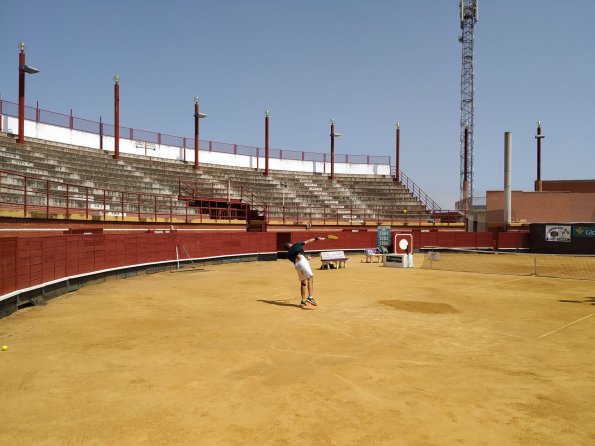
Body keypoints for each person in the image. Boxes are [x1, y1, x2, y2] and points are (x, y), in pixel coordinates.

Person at [284, 236, 325, 308]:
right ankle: (310, 297)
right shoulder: (296, 245)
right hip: (302, 261)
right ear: (290, 245)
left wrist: (307, 259)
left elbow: (298, 258)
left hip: (297, 265)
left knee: (303, 283)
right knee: (310, 278)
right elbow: (308, 241)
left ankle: (303, 301)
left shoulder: (288, 254)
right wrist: (317, 238)